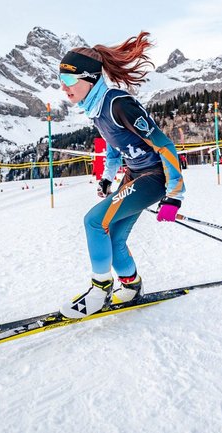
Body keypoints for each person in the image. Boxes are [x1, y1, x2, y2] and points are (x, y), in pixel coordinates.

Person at [57, 32, 185, 318]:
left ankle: (100, 290)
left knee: (93, 221)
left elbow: (164, 145)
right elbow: (116, 146)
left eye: (68, 79)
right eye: (60, 80)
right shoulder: (96, 108)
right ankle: (131, 286)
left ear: (89, 77)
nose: (63, 87)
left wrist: (174, 196)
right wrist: (107, 177)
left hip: (153, 177)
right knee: (113, 237)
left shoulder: (118, 103)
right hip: (134, 176)